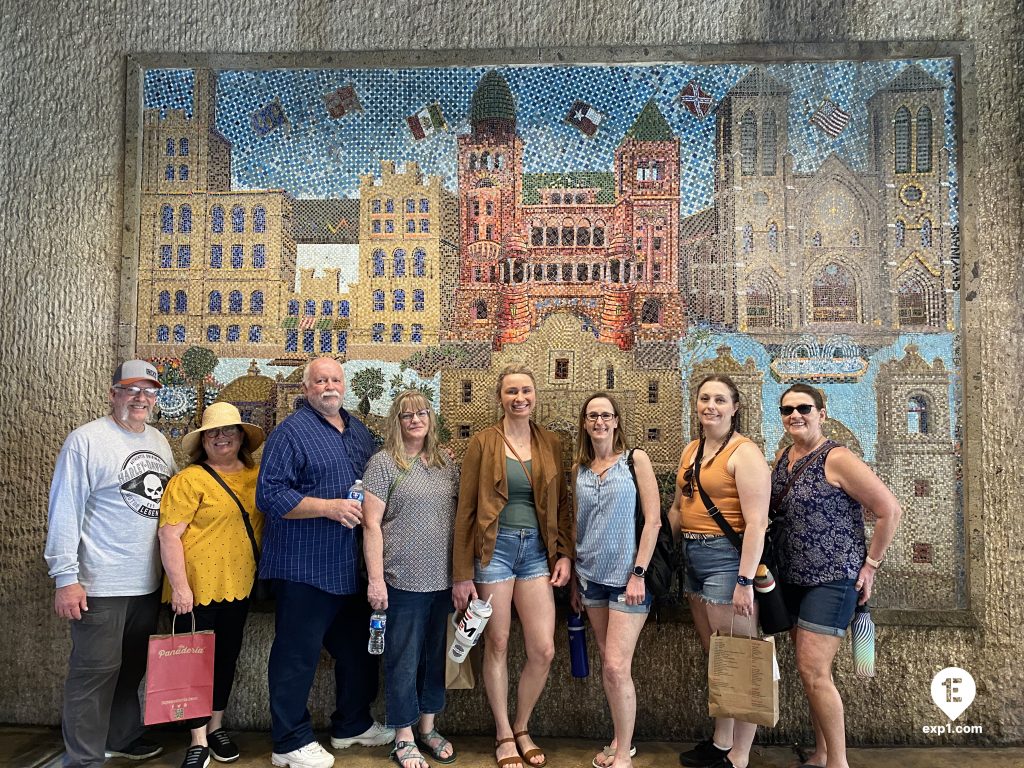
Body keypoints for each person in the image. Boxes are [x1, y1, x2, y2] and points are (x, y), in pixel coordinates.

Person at [256, 357, 395, 768]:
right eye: (320, 380)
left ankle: (351, 724)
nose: (328, 386)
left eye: (335, 379)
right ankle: (288, 741)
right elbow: (270, 496)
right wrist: (328, 508)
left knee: (357, 652)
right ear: (306, 386)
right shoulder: (289, 433)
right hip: (303, 567)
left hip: (347, 568)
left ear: (344, 385)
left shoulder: (359, 433)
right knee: (296, 655)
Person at [44, 359, 176, 767]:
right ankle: (82, 759)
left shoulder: (158, 440)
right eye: (131, 389)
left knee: (130, 669)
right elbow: (65, 509)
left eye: (149, 390)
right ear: (113, 393)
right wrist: (66, 578)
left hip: (146, 583)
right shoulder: (86, 440)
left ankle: (121, 736)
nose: (140, 397)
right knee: (94, 674)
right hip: (100, 584)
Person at [772, 384, 902, 768]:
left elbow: (889, 510)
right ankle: (823, 753)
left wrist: (871, 565)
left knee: (813, 671)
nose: (795, 414)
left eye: (804, 407)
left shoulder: (838, 457)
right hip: (792, 577)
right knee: (808, 671)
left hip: (832, 578)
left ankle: (838, 763)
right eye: (787, 409)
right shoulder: (783, 458)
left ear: (821, 413)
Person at [452, 365, 573, 768]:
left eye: (526, 390)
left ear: (536, 395)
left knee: (543, 648)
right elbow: (466, 509)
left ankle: (523, 725)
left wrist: (565, 554)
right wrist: (461, 574)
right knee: (498, 643)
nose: (519, 398)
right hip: (494, 551)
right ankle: (503, 733)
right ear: (500, 397)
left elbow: (561, 505)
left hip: (537, 552)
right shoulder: (484, 442)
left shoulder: (551, 442)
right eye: (511, 392)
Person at [669, 374, 770, 768]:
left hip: (728, 561)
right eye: (704, 398)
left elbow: (756, 524)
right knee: (718, 655)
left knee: (740, 659)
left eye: (719, 400)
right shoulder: (692, 449)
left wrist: (745, 580)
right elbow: (679, 508)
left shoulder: (744, 453)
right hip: (693, 558)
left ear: (734, 407)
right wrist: (659, 552)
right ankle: (721, 741)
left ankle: (740, 756)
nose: (710, 406)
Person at [158, 402, 267, 768]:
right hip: (196, 588)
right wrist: (181, 587)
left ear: (242, 437)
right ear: (203, 441)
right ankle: (197, 737)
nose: (222, 438)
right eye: (213, 432)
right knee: (194, 665)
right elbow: (169, 536)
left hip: (238, 585)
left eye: (229, 431)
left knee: (225, 660)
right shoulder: (188, 481)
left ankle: (216, 724)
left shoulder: (256, 477)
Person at [363, 390, 460, 768]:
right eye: (407, 415)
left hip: (442, 581)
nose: (415, 420)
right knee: (402, 660)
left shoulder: (445, 465)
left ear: (431, 419)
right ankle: (403, 735)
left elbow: (458, 520)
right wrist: (376, 580)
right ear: (396, 421)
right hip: (400, 580)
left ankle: (428, 728)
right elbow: (371, 524)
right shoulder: (384, 464)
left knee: (433, 659)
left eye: (422, 413)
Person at [570, 393, 661, 768]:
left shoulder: (634, 460)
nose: (600, 422)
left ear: (617, 420)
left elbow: (653, 520)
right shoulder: (579, 468)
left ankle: (623, 752)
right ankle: (619, 739)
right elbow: (577, 525)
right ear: (585, 423)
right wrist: (575, 579)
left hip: (629, 580)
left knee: (615, 666)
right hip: (591, 579)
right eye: (593, 416)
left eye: (606, 415)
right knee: (611, 666)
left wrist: (639, 573)